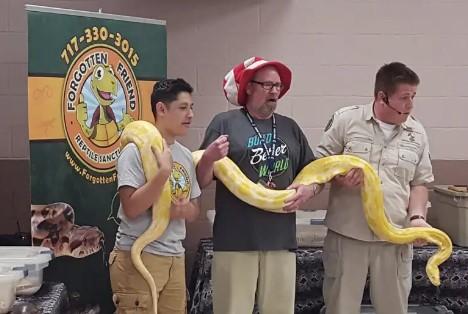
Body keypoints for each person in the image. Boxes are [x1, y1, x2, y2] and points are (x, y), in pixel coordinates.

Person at [196, 57, 322, 314]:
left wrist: (311, 188)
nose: (275, 90)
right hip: (235, 238)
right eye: (267, 84)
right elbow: (201, 180)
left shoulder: (290, 128)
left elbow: (313, 173)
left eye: (278, 85)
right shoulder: (225, 123)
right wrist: (209, 157)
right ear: (248, 87)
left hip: (281, 238)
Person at [315, 62, 434, 314]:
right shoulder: (345, 120)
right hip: (348, 236)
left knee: (394, 309)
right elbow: (319, 167)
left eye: (413, 97)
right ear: (382, 96)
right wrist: (339, 178)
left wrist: (417, 217)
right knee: (340, 308)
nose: (410, 105)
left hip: (395, 238)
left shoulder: (417, 132)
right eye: (404, 98)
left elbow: (420, 183)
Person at [109, 78, 201, 314]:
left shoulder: (185, 155)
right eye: (183, 108)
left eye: (191, 107)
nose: (190, 114)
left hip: (175, 257)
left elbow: (194, 209)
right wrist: (162, 174)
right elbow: (130, 207)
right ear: (161, 109)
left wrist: (184, 210)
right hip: (139, 255)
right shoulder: (135, 151)